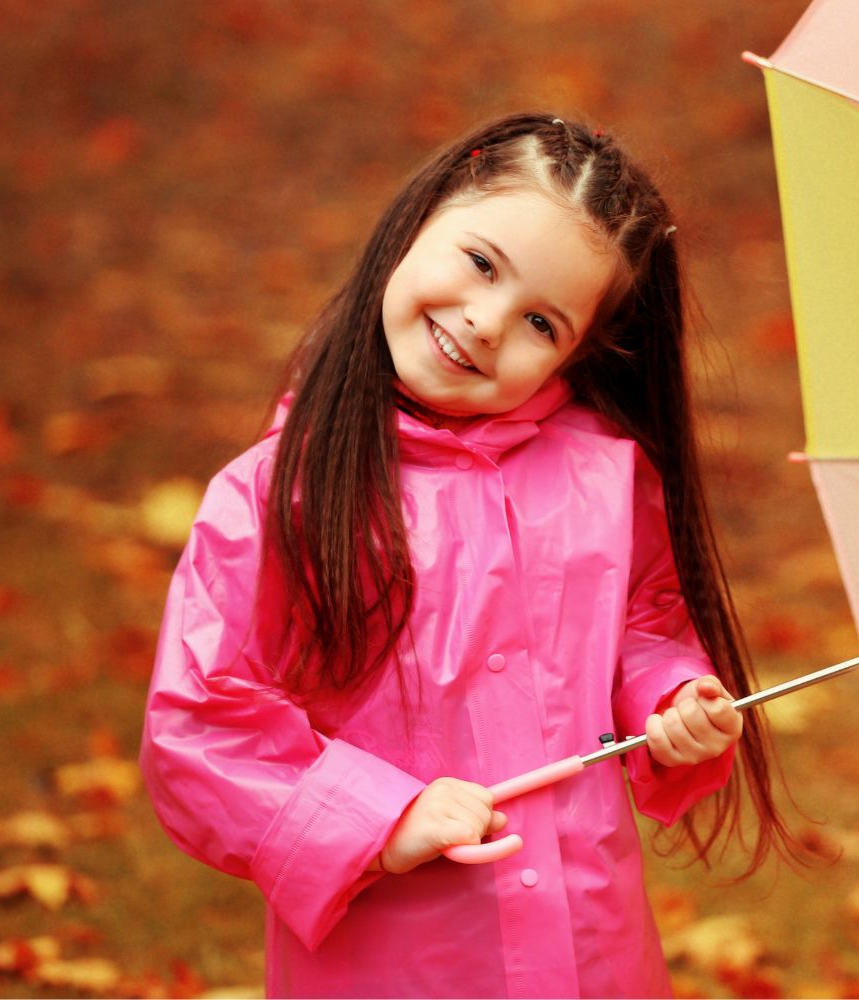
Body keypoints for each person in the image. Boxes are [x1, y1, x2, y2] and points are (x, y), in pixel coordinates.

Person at [138, 111, 799, 997]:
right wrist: (377, 820)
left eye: (540, 320)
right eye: (480, 264)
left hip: (586, 944)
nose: (486, 323)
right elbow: (203, 720)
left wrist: (672, 698)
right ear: (422, 218)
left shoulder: (604, 477)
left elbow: (643, 624)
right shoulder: (280, 493)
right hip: (397, 956)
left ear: (580, 350)